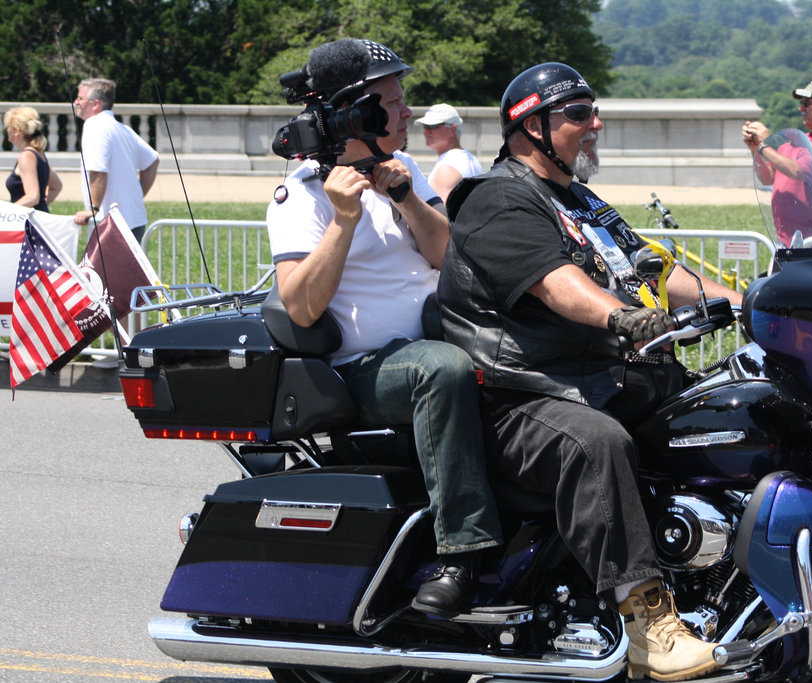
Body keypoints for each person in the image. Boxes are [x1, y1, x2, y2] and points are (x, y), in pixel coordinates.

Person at [437, 62, 742, 682]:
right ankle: (649, 627)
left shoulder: (577, 199)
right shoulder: (498, 198)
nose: (594, 123)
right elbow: (559, 285)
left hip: (594, 379)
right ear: (531, 128)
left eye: (591, 109)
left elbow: (650, 271)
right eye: (577, 114)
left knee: (735, 408)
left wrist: (747, 301)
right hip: (521, 392)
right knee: (598, 445)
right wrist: (624, 320)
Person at [265, 38, 503, 618]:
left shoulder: (407, 170)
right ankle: (462, 552)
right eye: (393, 103)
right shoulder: (300, 194)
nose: (408, 114)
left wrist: (403, 197)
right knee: (439, 369)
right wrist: (343, 220)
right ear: (355, 114)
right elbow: (299, 307)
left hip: (440, 336)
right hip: (369, 368)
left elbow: (447, 257)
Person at [72, 78, 160, 243]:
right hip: (134, 219)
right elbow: (152, 160)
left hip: (112, 224)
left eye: (80, 98)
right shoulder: (121, 128)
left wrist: (93, 208)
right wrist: (135, 196)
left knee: (103, 270)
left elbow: (98, 170)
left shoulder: (94, 125)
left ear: (95, 104)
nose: (76, 102)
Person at [742, 79, 812, 205]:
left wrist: (764, 145)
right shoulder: (798, 141)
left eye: (806, 103)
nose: (800, 107)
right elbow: (767, 178)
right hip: (786, 225)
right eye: (801, 102)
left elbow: (799, 171)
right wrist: (755, 147)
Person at [414, 103, 483, 203]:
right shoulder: (466, 159)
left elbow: (439, 215)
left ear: (452, 130)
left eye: (432, 126)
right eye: (425, 126)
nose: (426, 131)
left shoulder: (448, 167)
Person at [4, 106, 62, 211]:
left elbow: (32, 197)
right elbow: (56, 186)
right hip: (38, 219)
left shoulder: (26, 156)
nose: (7, 130)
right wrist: (41, 206)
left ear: (17, 131)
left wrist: (6, 212)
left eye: (8, 127)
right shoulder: (39, 153)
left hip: (27, 223)